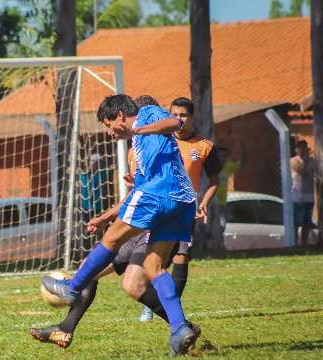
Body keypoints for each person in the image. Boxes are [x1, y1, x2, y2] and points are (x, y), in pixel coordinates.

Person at [30, 95, 199, 349]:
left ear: (121, 115)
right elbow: (139, 188)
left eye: (109, 124)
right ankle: (179, 329)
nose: (109, 132)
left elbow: (174, 123)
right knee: (153, 267)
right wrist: (108, 214)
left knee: (111, 239)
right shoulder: (139, 148)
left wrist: (135, 128)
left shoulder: (147, 114)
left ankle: (72, 288)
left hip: (160, 194)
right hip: (182, 202)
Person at [137, 96, 222, 321]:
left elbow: (214, 180)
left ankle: (168, 305)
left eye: (183, 115)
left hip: (185, 208)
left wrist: (203, 202)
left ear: (192, 118)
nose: (178, 119)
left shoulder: (204, 146)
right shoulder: (160, 140)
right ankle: (153, 302)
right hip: (158, 205)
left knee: (181, 258)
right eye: (174, 114)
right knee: (155, 258)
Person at [291, 140, 317, 246]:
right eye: (300, 148)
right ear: (296, 149)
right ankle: (294, 244)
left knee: (306, 223)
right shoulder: (293, 161)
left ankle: (304, 244)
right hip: (297, 197)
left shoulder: (313, 161)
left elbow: (317, 171)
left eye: (304, 147)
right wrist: (306, 161)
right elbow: (302, 171)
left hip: (309, 196)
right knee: (296, 223)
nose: (302, 150)